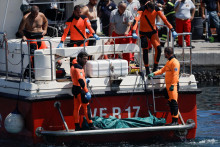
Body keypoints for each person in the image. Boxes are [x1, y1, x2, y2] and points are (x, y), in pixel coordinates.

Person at [132, 1, 177, 75]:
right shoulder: (141, 9)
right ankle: (147, 69)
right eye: (150, 10)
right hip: (143, 33)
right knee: (145, 50)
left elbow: (164, 19)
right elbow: (136, 20)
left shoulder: (156, 9)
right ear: (148, 7)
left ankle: (155, 67)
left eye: (153, 10)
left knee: (158, 48)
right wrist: (134, 31)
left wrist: (172, 29)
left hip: (152, 32)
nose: (152, 11)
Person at [148, 47, 180, 126]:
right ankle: (173, 121)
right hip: (169, 86)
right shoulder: (169, 62)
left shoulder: (175, 62)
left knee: (174, 103)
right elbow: (162, 70)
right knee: (170, 103)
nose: (164, 55)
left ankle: (175, 121)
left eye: (165, 53)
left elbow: (175, 75)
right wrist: (154, 73)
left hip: (173, 86)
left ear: (167, 53)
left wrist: (173, 85)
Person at [18, 5, 48, 78]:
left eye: (36, 14)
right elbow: (20, 30)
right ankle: (31, 72)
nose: (35, 15)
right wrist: (23, 36)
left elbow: (46, 22)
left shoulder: (41, 15)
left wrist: (45, 30)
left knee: (45, 53)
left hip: (40, 37)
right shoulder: (26, 18)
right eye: (33, 14)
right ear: (31, 12)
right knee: (33, 56)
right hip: (31, 37)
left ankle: (43, 70)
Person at [70, 51, 98, 131]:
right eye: (84, 59)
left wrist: (85, 80)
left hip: (75, 89)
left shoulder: (73, 66)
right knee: (86, 107)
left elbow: (77, 78)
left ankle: (77, 126)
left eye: (87, 59)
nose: (86, 61)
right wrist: (86, 91)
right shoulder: (79, 68)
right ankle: (91, 125)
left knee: (76, 108)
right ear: (79, 58)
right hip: (80, 90)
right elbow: (80, 80)